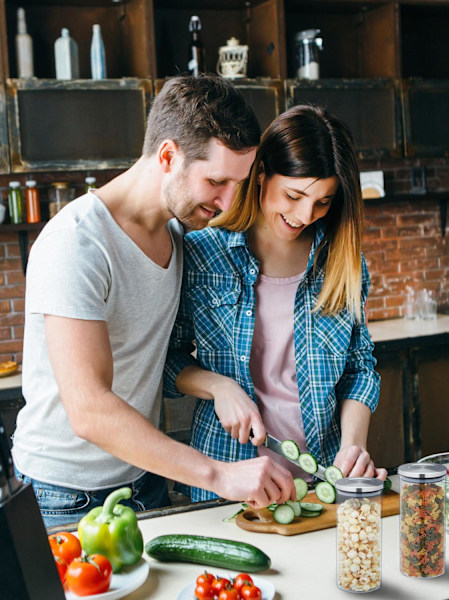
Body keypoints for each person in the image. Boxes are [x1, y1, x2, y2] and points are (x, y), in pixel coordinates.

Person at [11, 75, 296, 528]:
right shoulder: (78, 242)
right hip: (64, 496)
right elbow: (89, 409)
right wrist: (219, 475)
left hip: (146, 480)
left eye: (237, 183)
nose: (227, 202)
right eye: (217, 181)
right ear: (168, 156)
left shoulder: (180, 234)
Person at [164, 104, 386, 502]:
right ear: (261, 173)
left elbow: (360, 367)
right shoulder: (202, 253)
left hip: (324, 482)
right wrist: (218, 386)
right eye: (294, 195)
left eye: (323, 202)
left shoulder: (343, 263)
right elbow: (168, 360)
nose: (305, 215)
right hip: (228, 478)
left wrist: (354, 447)